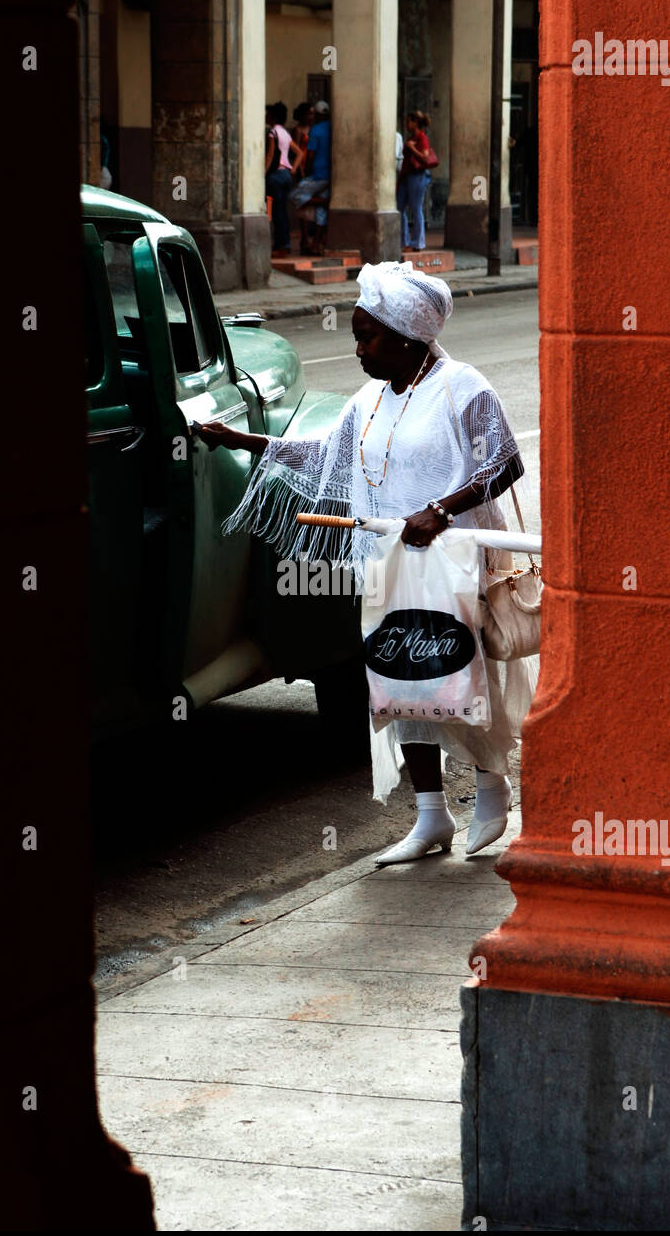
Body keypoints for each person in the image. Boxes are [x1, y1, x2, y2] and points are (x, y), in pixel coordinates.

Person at [197, 261, 536, 866]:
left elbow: (504, 463)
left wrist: (440, 510)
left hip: (456, 563)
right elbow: (325, 454)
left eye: (366, 337)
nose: (357, 349)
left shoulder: (464, 387)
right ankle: (431, 816)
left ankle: (492, 792)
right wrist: (244, 441)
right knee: (400, 684)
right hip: (389, 562)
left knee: (463, 678)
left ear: (406, 337)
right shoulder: (371, 399)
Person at [289, 98, 331, 255]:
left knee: (296, 195)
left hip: (316, 173)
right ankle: (315, 244)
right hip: (329, 174)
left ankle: (326, 202)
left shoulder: (316, 130)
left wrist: (305, 171)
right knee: (320, 211)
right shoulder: (332, 128)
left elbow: (310, 155)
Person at [265, 102, 304, 256]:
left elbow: (270, 154)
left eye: (268, 114)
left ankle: (281, 246)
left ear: (273, 116)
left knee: (276, 212)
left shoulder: (273, 132)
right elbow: (299, 153)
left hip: (275, 176)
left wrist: (263, 173)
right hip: (286, 175)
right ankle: (285, 244)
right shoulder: (285, 133)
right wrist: (293, 169)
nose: (266, 116)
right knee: (283, 212)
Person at [398, 110, 432, 251]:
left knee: (416, 207)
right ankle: (404, 241)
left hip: (417, 176)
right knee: (399, 207)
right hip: (407, 175)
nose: (406, 124)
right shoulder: (412, 137)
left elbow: (425, 157)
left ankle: (417, 242)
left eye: (408, 121)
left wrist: (412, 148)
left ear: (415, 122)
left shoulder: (422, 138)